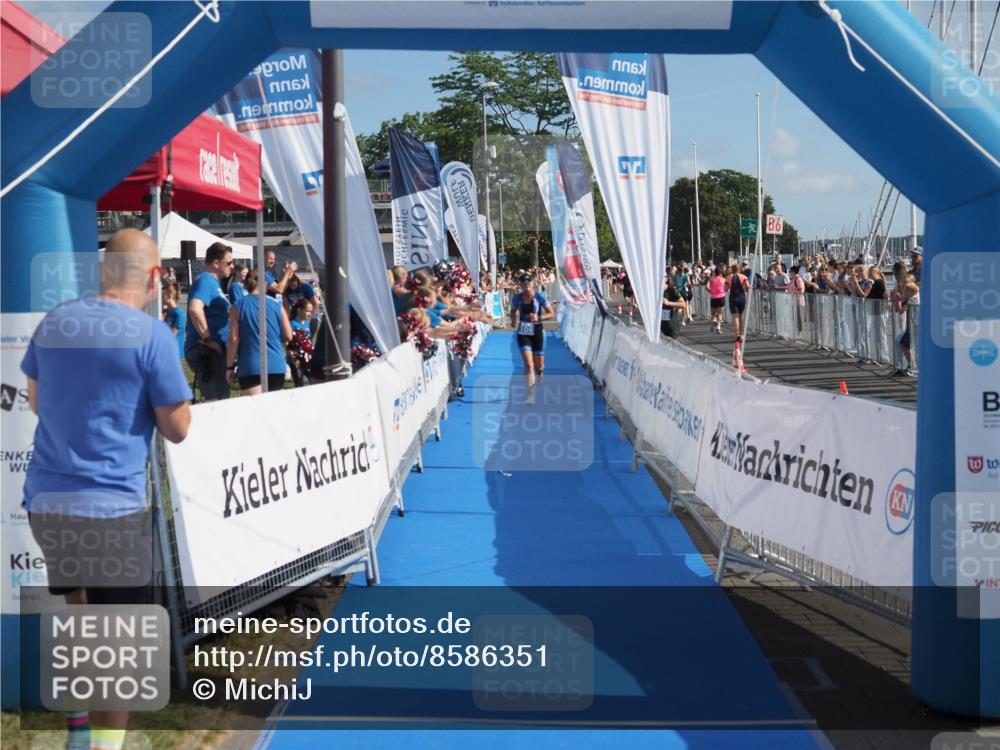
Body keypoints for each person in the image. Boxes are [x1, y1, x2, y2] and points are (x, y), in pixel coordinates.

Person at [20, 228, 191, 750]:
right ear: (155, 277)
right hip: (111, 509)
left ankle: (78, 726)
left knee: (84, 617)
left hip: (49, 503)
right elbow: (177, 427)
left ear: (103, 272)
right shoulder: (151, 335)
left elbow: (34, 401)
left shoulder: (56, 322)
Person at [226, 271, 293, 395]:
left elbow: (234, 339)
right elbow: (288, 335)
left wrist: (229, 366)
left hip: (250, 365)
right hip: (276, 365)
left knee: (254, 411)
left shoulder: (238, 306)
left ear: (245, 285)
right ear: (266, 284)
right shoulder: (277, 305)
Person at [185, 242, 233, 401]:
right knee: (216, 404)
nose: (231, 266)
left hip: (215, 352)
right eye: (229, 263)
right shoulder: (206, 280)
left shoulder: (213, 283)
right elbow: (195, 308)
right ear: (216, 263)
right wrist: (208, 340)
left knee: (219, 401)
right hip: (209, 353)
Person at [510, 275, 554, 404]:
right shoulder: (517, 298)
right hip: (523, 333)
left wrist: (539, 318)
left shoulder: (540, 297)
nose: (526, 285)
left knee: (539, 366)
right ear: (520, 285)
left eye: (528, 283)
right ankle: (531, 396)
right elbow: (513, 312)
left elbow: (551, 313)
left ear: (533, 284)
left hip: (537, 332)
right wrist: (513, 321)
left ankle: (540, 373)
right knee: (529, 365)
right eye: (523, 283)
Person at [891, 262, 920, 376]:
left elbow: (901, 309)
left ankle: (912, 365)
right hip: (910, 324)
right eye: (903, 286)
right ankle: (909, 365)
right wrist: (897, 299)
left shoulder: (912, 296)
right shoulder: (908, 297)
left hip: (915, 324)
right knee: (900, 341)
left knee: (904, 344)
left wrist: (899, 298)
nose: (903, 288)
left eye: (905, 287)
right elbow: (899, 310)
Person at [726, 263, 750, 339]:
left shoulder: (729, 277)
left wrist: (729, 287)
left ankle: (737, 334)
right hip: (741, 298)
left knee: (735, 317)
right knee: (740, 316)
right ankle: (742, 334)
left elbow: (725, 289)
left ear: (732, 269)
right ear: (739, 269)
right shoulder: (744, 276)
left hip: (733, 298)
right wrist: (745, 288)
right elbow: (748, 286)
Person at [162, 283, 185, 357]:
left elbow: (172, 335)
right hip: (165, 351)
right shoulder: (165, 312)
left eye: (162, 295)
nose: (160, 298)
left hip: (174, 353)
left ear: (169, 296)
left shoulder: (178, 313)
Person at [708, 266, 726, 333]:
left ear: (715, 273)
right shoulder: (723, 279)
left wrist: (712, 291)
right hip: (721, 297)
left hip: (713, 297)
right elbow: (725, 288)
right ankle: (718, 327)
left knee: (713, 314)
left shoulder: (711, 280)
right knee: (720, 314)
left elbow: (708, 287)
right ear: (720, 272)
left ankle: (713, 321)